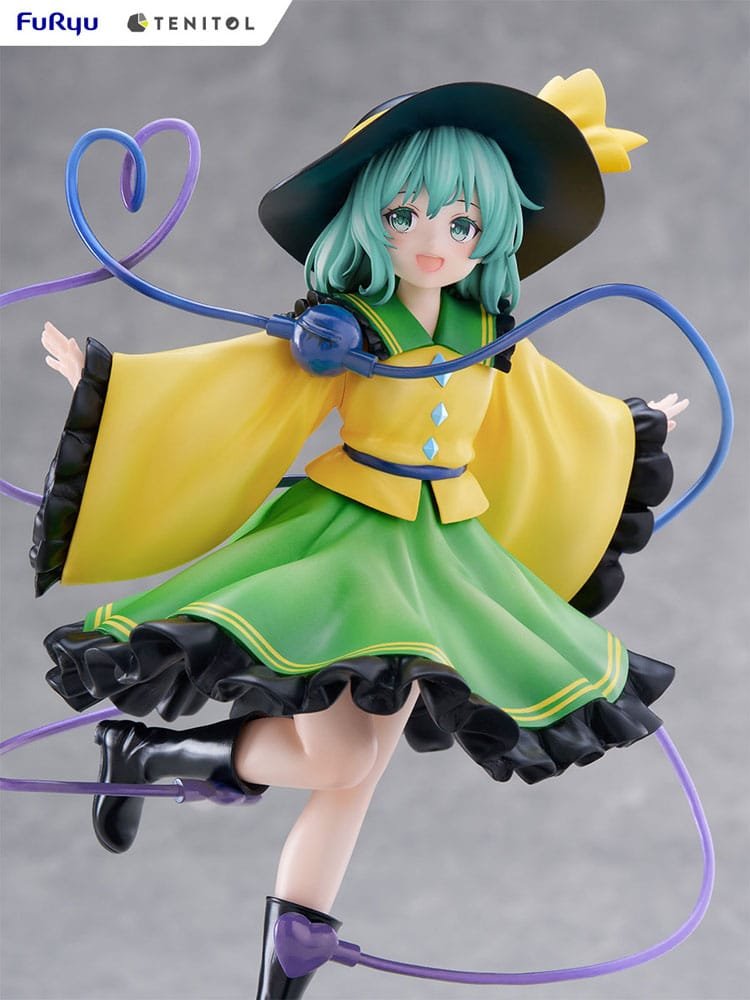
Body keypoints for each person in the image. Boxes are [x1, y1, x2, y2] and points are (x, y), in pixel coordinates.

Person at [33, 69, 687, 999]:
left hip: (445, 553)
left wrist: (632, 426)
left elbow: (553, 414)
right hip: (350, 544)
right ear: (368, 219)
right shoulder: (349, 327)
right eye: (405, 216)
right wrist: (114, 390)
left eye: (461, 224)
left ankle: (294, 941)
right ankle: (155, 754)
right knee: (342, 756)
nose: (432, 241)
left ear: (493, 234)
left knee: (358, 771)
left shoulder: (487, 331)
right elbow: (241, 385)